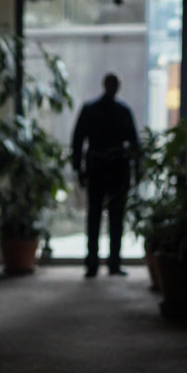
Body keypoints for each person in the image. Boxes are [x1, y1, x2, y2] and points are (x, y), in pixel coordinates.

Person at [70, 73, 140, 278]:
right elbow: (134, 144)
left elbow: (78, 140)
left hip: (104, 167)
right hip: (110, 167)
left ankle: (98, 262)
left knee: (100, 216)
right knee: (109, 216)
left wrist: (78, 168)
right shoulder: (120, 111)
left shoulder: (94, 109)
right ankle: (108, 262)